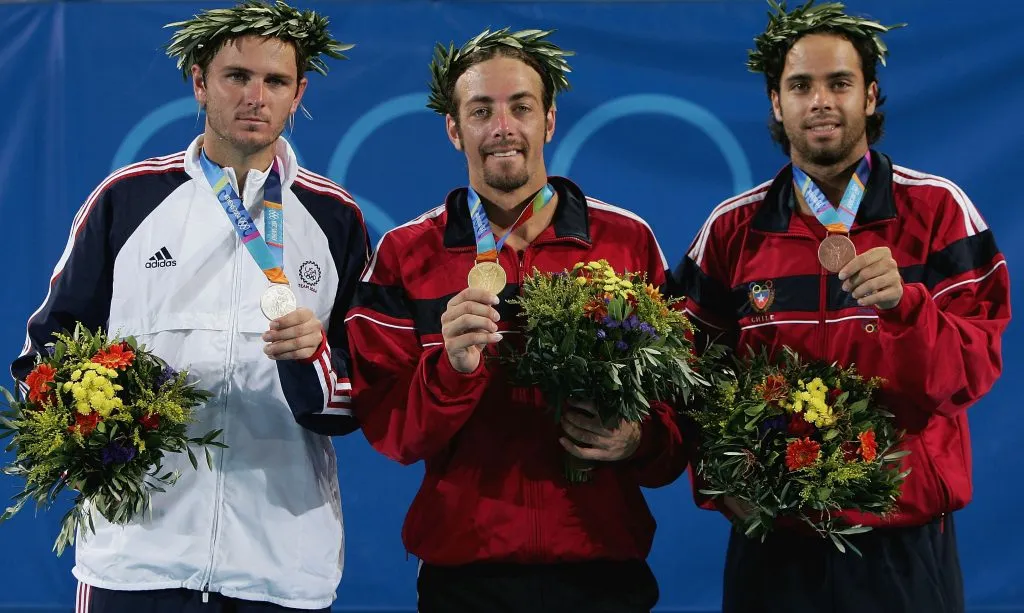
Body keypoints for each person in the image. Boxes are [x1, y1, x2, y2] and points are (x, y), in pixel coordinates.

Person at [10, 2, 368, 611]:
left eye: (275, 81)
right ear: (200, 81)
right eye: (237, 76)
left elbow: (364, 392)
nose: (255, 96)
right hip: (135, 558)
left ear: (298, 93)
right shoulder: (126, 200)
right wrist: (80, 426)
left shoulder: (336, 219)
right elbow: (43, 354)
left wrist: (313, 362)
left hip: (280, 564)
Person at [674, 2, 1011, 612]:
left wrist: (907, 308)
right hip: (774, 545)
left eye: (840, 83)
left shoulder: (939, 212)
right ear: (777, 103)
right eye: (800, 85)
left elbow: (973, 368)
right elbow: (685, 377)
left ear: (872, 96)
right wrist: (722, 482)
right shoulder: (731, 230)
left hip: (902, 547)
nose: (821, 101)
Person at [337, 27, 683, 613]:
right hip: (467, 576)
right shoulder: (406, 254)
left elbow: (679, 412)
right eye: (481, 110)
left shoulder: (626, 241)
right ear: (454, 129)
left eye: (521, 107)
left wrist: (638, 438)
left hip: (604, 569)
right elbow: (390, 429)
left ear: (548, 120)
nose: (503, 127)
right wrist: (449, 371)